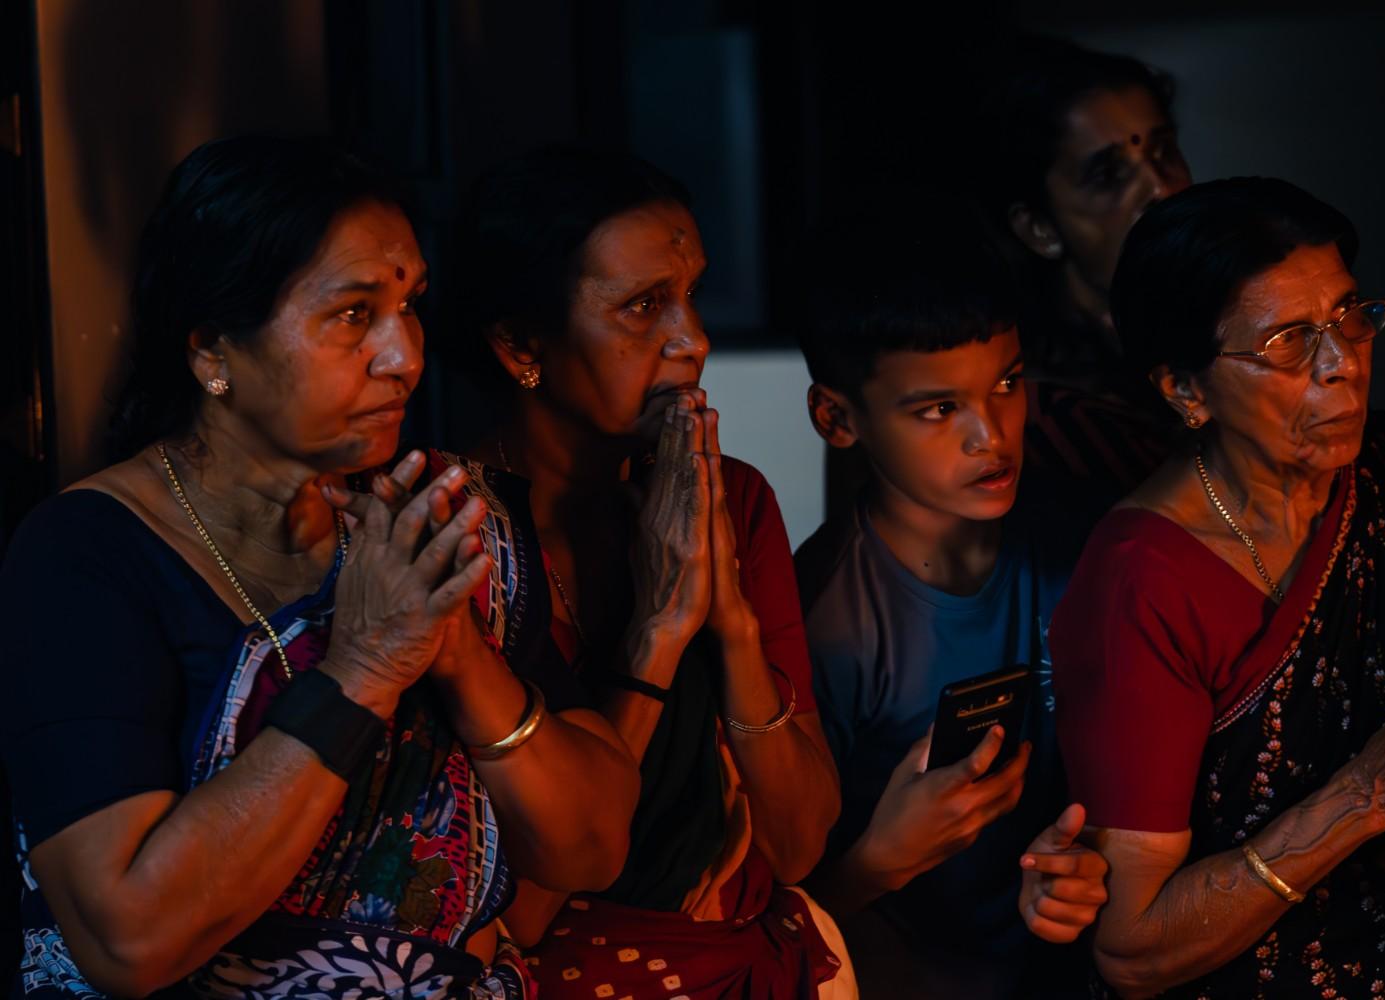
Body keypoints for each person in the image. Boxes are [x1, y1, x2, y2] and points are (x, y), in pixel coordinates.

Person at [0, 136, 638, 998]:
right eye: (352, 314)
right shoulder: (85, 556)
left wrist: (456, 653)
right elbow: (128, 940)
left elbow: (590, 848)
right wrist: (366, 668)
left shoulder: (432, 522)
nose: (404, 355)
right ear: (212, 350)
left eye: (409, 305)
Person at [1051, 177, 1385, 997]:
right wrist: (1368, 795)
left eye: (1351, 317)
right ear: (1185, 390)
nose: (1344, 366)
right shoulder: (1144, 585)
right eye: (1291, 342)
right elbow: (1133, 947)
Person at [447, 146, 848, 999]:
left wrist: (729, 613)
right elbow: (519, 913)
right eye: (642, 307)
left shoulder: (729, 502)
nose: (692, 341)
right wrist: (660, 633)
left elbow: (798, 844)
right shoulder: (449, 547)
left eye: (691, 295)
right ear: (521, 344)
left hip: (752, 962)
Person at [794, 207, 1109, 998]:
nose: (991, 437)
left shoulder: (1087, 544)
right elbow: (765, 924)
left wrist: (1087, 869)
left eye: (1005, 385)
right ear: (837, 417)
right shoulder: (825, 619)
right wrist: (880, 862)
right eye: (939, 409)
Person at [982, 37, 1192, 500]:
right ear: (1039, 228)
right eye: (1108, 175)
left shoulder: (1231, 340)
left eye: (1164, 153)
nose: (1159, 189)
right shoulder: (1037, 414)